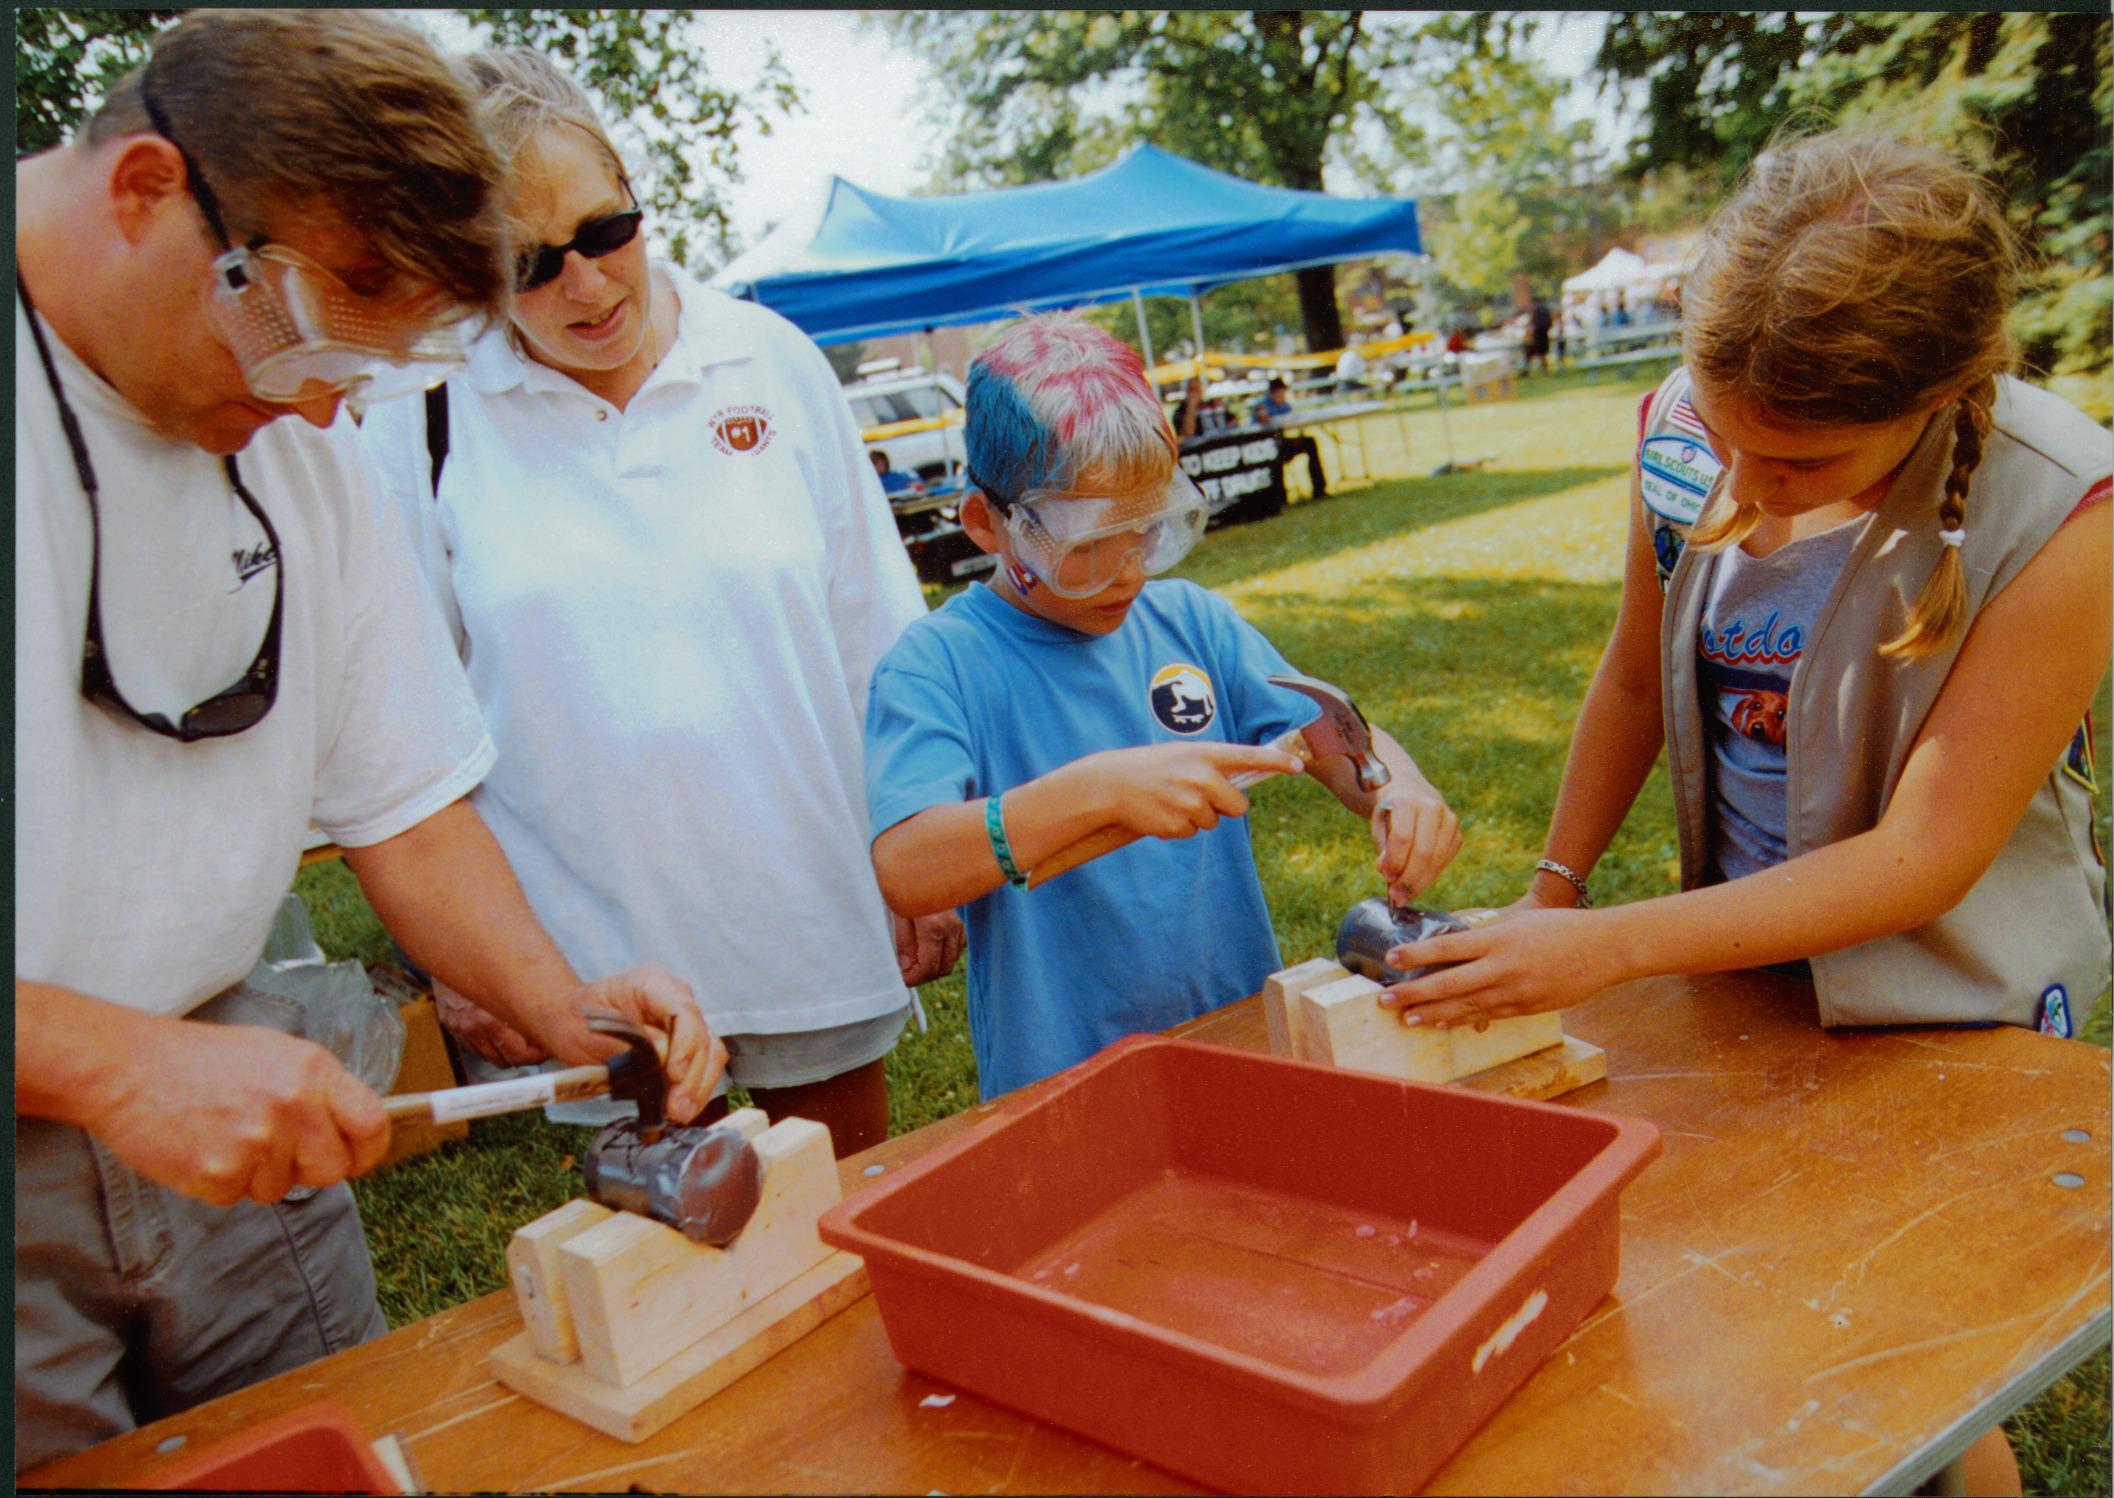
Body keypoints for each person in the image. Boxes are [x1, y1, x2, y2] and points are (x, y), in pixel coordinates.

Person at [14, 10, 728, 1473]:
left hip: (241, 1106)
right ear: (146, 190)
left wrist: (562, 1006)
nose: (326, 403)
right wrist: (110, 1067)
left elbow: (403, 801)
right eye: (304, 336)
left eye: (369, 367)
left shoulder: (302, 438)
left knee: (338, 1447)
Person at [1384, 130, 2109, 1301]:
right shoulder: (1686, 438)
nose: (1744, 480)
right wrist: (1554, 890)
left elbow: (1924, 857)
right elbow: (1633, 675)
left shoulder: (2062, 505)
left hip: (1952, 994)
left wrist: (1610, 946)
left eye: (1798, 462)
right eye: (1725, 437)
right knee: (1773, 1287)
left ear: (1935, 398)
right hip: (1746, 958)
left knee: (1919, 1302)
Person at [359, 49, 959, 1162]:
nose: (587, 286)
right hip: (592, 955)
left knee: (838, 1226)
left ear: (635, 193)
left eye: (605, 231)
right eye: (529, 265)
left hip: (807, 907)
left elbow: (877, 635)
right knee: (666, 1253)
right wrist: (468, 960)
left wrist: (924, 835)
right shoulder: (421, 414)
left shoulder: (770, 361)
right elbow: (402, 720)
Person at [862, 313, 1462, 1099]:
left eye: (1146, 531)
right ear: (986, 523)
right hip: (1063, 1081)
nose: (1127, 572)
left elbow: (1328, 731)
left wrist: (1399, 788)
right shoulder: (938, 665)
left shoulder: (1191, 624)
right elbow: (908, 866)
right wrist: (1099, 791)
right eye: (1087, 545)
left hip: (1237, 1041)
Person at [1250, 376, 1329, 500]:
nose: (1282, 396)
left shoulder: (1285, 406)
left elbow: (1293, 421)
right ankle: (1281, 497)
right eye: (1279, 393)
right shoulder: (1261, 406)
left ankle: (1319, 489)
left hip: (1281, 442)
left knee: (1310, 442)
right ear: (1272, 393)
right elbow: (1261, 422)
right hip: (1265, 446)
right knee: (1275, 456)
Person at [1526, 297, 1554, 376]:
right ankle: (1544, 370)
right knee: (1543, 353)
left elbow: (1532, 321)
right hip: (1544, 333)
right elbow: (1550, 322)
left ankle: (1531, 371)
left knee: (1535, 353)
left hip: (1537, 334)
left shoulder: (1535, 310)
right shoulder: (1545, 309)